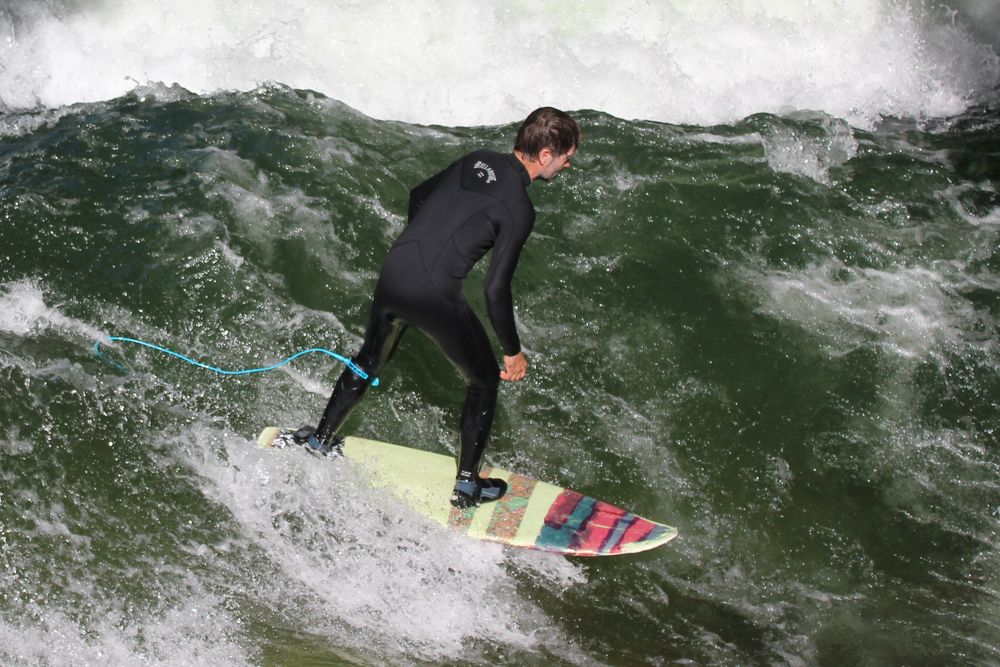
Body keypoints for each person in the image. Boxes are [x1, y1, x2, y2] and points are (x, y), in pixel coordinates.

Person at [294, 107, 580, 509]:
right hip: (434, 291)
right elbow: (497, 289)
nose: (569, 164)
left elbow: (419, 196)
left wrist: (422, 252)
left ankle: (320, 440)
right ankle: (467, 486)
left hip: (396, 269)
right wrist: (513, 352)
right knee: (483, 380)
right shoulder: (519, 207)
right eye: (567, 155)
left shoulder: (477, 159)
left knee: (370, 357)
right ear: (546, 154)